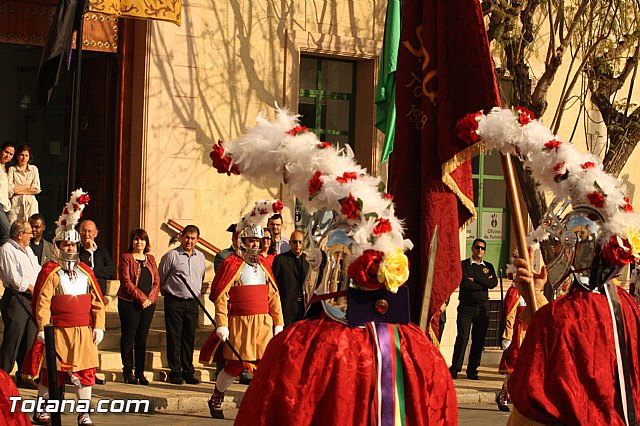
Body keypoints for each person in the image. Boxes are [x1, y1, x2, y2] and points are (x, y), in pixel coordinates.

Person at [22, 190, 105, 425]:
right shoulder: (50, 271)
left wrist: (99, 326)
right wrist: (43, 327)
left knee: (85, 373)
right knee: (53, 372)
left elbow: (98, 301)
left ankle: (84, 413)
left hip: (83, 331)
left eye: (72, 245)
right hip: (57, 331)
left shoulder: (86, 272)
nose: (69, 248)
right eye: (65, 244)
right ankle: (43, 410)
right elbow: (43, 302)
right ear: (58, 245)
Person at [201, 222, 284, 419]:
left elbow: (273, 296)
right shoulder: (231, 264)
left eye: (258, 240)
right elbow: (221, 296)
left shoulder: (264, 266)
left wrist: (278, 322)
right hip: (240, 324)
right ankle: (216, 398)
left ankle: (259, 405)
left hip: (263, 324)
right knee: (234, 367)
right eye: (251, 240)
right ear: (242, 241)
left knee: (263, 367)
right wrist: (221, 323)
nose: (255, 244)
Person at [159, 225, 206, 385]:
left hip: (193, 302)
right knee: (175, 337)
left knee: (189, 337)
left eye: (193, 238)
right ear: (181, 237)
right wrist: (168, 292)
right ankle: (175, 372)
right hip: (174, 301)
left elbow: (201, 277)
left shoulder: (201, 257)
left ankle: (188, 371)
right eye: (187, 237)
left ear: (197, 240)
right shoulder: (171, 256)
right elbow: (162, 277)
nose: (189, 241)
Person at [0, 220, 40, 389]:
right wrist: (31, 287)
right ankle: (3, 374)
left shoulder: (29, 250)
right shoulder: (7, 249)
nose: (32, 235)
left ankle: (24, 376)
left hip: (32, 298)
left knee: (29, 337)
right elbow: (13, 278)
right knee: (13, 338)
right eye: (29, 232)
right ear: (20, 234)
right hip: (17, 297)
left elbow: (37, 270)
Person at [449, 238, 498, 380]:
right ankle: (455, 368)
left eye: (482, 248)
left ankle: (472, 370)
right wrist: (483, 281)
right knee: (463, 338)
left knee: (478, 340)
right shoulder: (464, 265)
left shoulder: (488, 266)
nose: (480, 250)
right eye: (477, 247)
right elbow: (464, 283)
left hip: (483, 308)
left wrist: (476, 278)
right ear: (472, 248)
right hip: (466, 307)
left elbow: (492, 283)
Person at [117, 228, 160, 385]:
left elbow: (156, 281)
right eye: (136, 239)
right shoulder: (126, 258)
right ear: (132, 241)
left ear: (146, 242)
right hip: (129, 303)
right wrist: (141, 298)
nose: (139, 242)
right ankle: (128, 371)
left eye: (142, 239)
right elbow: (126, 282)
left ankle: (140, 372)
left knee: (142, 338)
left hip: (148, 304)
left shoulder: (151, 259)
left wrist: (150, 298)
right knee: (129, 337)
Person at [496, 283, 526, 412]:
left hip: (528, 333)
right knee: (512, 368)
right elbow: (509, 315)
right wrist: (507, 336)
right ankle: (504, 396)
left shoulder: (532, 292)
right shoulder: (515, 292)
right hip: (517, 334)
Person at [272, 230, 309, 326]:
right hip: (287, 308)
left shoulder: (308, 261)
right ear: (290, 243)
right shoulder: (280, 260)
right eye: (295, 242)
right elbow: (274, 285)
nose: (297, 245)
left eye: (300, 242)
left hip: (304, 309)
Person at [78, 219, 116, 296]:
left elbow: (111, 270)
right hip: (81, 292)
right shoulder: (75, 249)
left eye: (89, 231)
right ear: (79, 232)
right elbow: (80, 268)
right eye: (83, 231)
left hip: (99, 291)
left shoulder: (101, 250)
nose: (86, 234)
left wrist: (93, 271)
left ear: (96, 233)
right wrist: (88, 251)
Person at [7, 145, 40, 224]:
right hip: (16, 206)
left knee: (30, 228)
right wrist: (27, 186)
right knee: (14, 230)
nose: (24, 158)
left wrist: (17, 189)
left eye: (26, 155)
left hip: (30, 205)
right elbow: (10, 189)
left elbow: (36, 189)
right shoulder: (12, 170)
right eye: (22, 155)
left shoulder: (34, 169)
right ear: (17, 156)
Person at [0, 141, 15, 245]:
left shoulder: (7, 169)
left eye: (11, 154)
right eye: (6, 152)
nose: (8, 155)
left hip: (5, 205)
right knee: (7, 231)